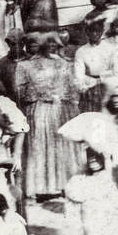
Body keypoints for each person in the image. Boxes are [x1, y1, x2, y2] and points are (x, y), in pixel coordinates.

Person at [15, 30, 81, 205]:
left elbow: (73, 89)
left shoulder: (66, 64)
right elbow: (20, 93)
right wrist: (39, 94)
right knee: (40, 145)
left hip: (62, 110)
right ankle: (39, 187)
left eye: (54, 43)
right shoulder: (26, 65)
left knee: (62, 145)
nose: (51, 46)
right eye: (47, 42)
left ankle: (64, 184)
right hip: (39, 109)